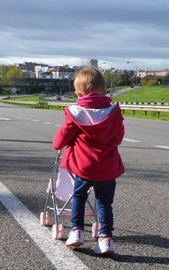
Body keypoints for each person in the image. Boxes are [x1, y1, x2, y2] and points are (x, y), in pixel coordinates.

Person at [52, 68, 124, 255]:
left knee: (79, 197)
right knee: (104, 203)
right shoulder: (113, 112)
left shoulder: (75, 113)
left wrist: (57, 144)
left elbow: (64, 136)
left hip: (83, 167)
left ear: (78, 92)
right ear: (104, 90)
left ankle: (76, 231)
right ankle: (105, 239)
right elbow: (119, 136)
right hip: (107, 167)